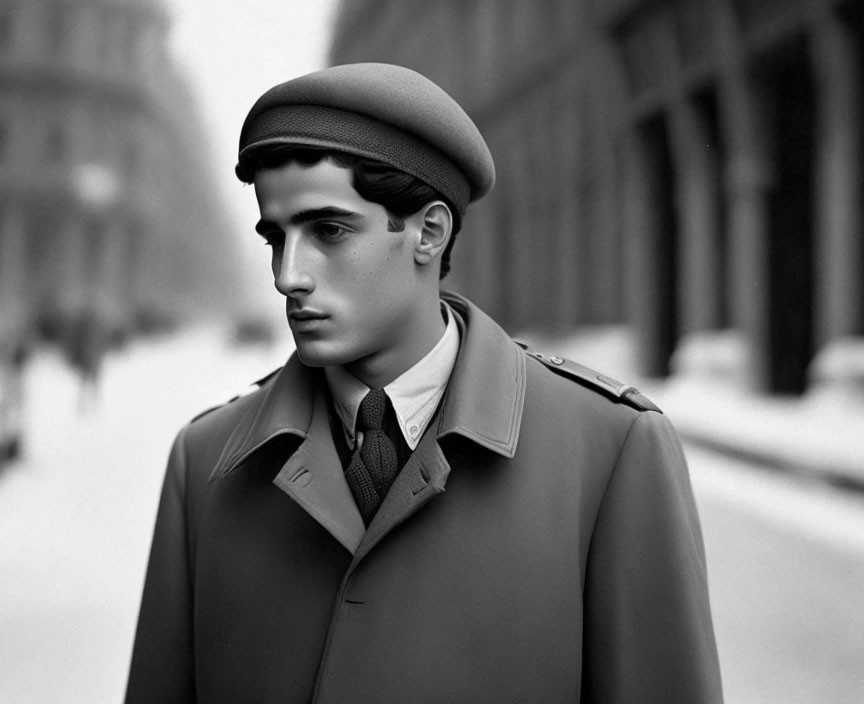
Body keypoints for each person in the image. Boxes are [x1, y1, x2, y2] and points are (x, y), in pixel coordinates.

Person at [125, 63, 722, 703]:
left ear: (429, 233)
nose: (287, 275)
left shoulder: (611, 453)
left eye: (328, 231)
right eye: (276, 237)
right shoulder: (205, 466)